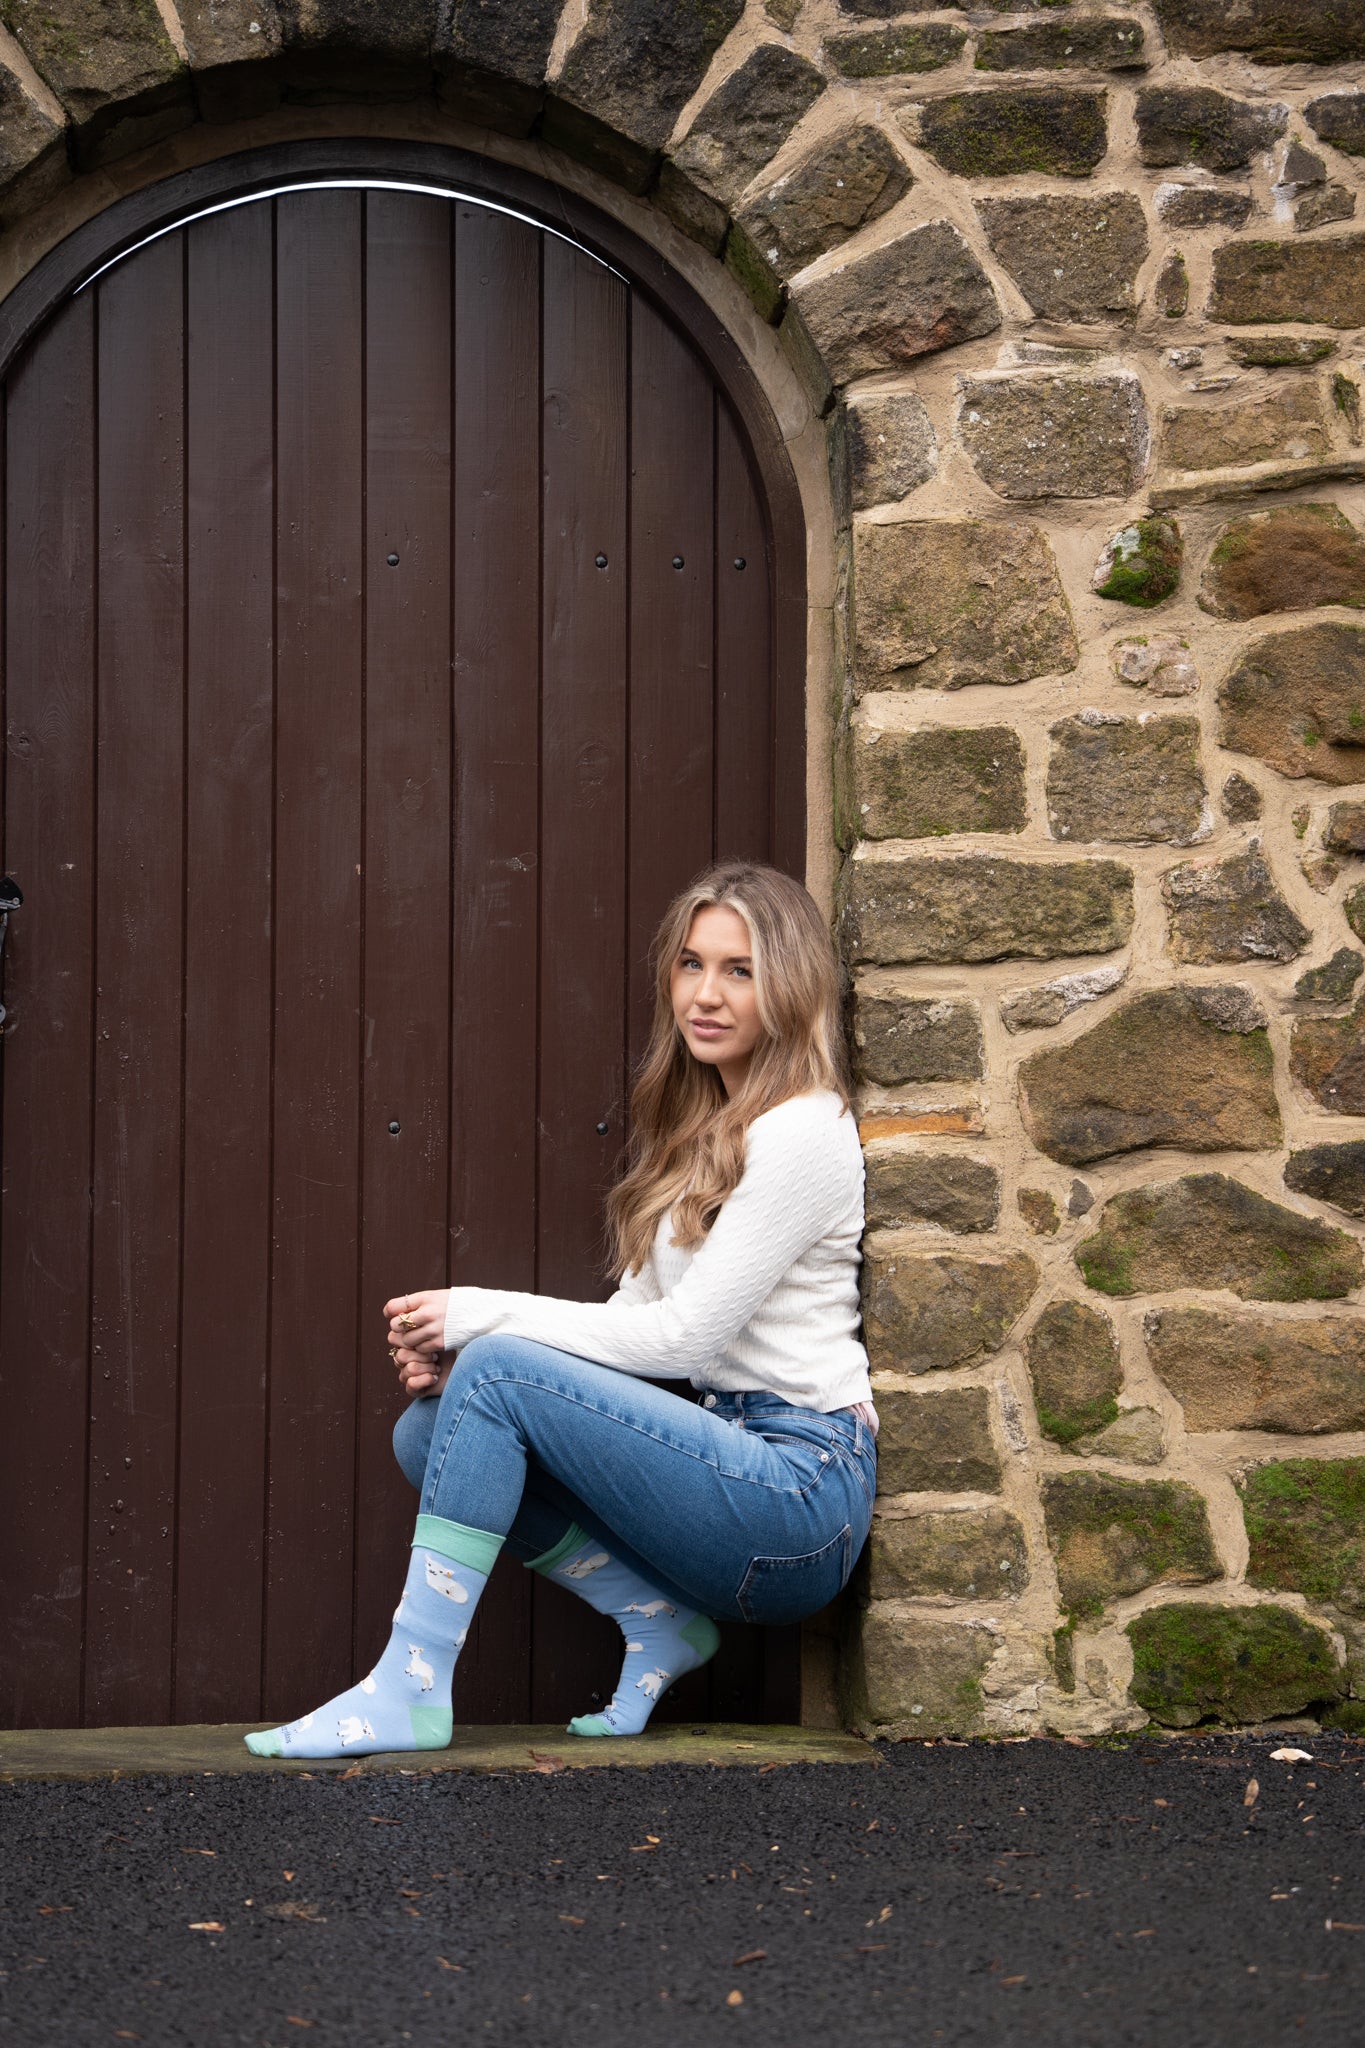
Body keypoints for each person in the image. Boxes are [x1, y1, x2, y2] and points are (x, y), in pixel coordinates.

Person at [245, 860, 876, 1759]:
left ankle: (409, 1685)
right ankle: (653, 1620)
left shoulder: (802, 1130)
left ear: (792, 982)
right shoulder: (707, 1128)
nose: (705, 993)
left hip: (800, 1497)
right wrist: (476, 1377)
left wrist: (480, 1317)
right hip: (722, 1458)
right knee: (433, 1429)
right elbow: (634, 1328)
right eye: (691, 964)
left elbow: (686, 1338)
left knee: (496, 1369)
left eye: (739, 970)